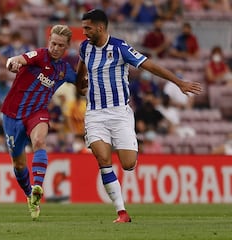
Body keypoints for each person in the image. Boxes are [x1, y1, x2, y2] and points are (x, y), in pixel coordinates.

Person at [76, 9, 202, 223]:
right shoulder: (85, 48)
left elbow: (150, 65)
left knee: (127, 164)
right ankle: (122, 212)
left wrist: (179, 82)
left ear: (100, 27)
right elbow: (81, 72)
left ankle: (129, 152)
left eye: (87, 27)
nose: (84, 31)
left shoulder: (119, 47)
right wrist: (80, 84)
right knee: (103, 159)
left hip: (119, 113)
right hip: (95, 113)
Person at [1, 24, 76, 220]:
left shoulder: (65, 70)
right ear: (48, 41)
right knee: (18, 165)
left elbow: (83, 85)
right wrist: (12, 65)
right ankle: (29, 196)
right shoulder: (39, 55)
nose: (56, 48)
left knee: (40, 142)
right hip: (12, 114)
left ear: (67, 46)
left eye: (60, 45)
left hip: (37, 112)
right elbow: (15, 60)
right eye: (53, 43)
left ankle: (38, 188)